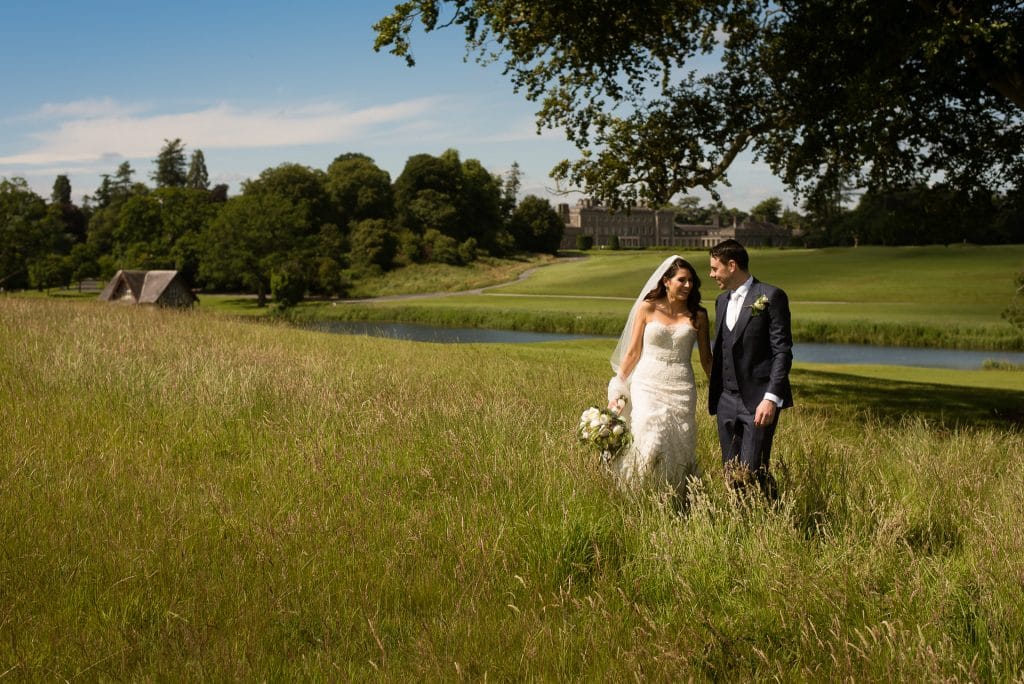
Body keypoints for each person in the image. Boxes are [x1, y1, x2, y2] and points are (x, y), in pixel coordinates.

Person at [607, 255, 713, 502]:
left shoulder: (698, 315)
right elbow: (633, 352)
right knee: (651, 433)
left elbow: (707, 359)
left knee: (680, 442)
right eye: (682, 280)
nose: (688, 286)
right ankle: (636, 494)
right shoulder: (648, 308)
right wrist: (619, 386)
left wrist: (723, 390)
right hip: (647, 382)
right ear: (666, 281)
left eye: (691, 281)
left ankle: (676, 498)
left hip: (681, 386)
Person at [707, 239, 793, 499]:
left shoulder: (770, 296)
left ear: (731, 265)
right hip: (726, 401)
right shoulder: (721, 301)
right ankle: (740, 526)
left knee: (753, 470)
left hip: (758, 402)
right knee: (731, 473)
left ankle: (769, 520)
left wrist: (771, 399)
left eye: (714, 268)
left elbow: (782, 351)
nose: (711, 275)